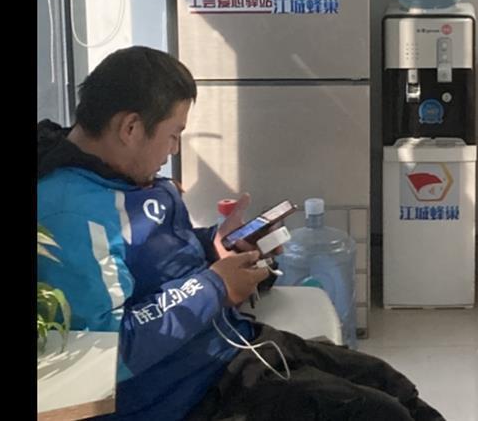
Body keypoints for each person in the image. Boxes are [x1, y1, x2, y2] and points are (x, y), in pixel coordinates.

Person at [37, 46, 443, 421]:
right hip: (187, 396)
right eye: (173, 134)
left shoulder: (121, 174)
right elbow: (106, 353)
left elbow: (150, 260)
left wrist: (216, 245)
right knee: (380, 414)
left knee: (393, 388)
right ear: (130, 127)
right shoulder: (71, 214)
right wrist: (215, 286)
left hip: (232, 344)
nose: (174, 150)